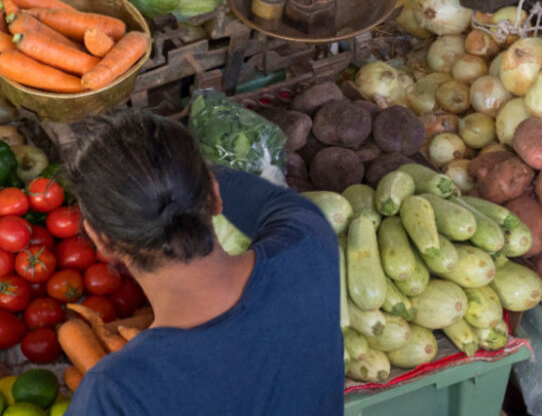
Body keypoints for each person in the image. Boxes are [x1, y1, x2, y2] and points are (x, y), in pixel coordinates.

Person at [66, 110, 343, 415]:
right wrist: (175, 175)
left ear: (101, 240)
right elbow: (271, 202)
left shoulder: (114, 394)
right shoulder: (308, 246)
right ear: (213, 195)